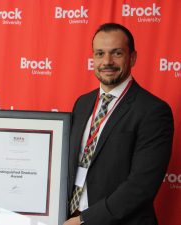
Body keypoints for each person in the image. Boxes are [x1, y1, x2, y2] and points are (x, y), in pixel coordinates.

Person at [64, 23, 174, 225]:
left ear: (132, 57)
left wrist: (85, 220)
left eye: (116, 53)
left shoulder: (153, 111)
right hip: (72, 217)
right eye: (99, 53)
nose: (107, 61)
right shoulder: (83, 103)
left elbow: (141, 186)